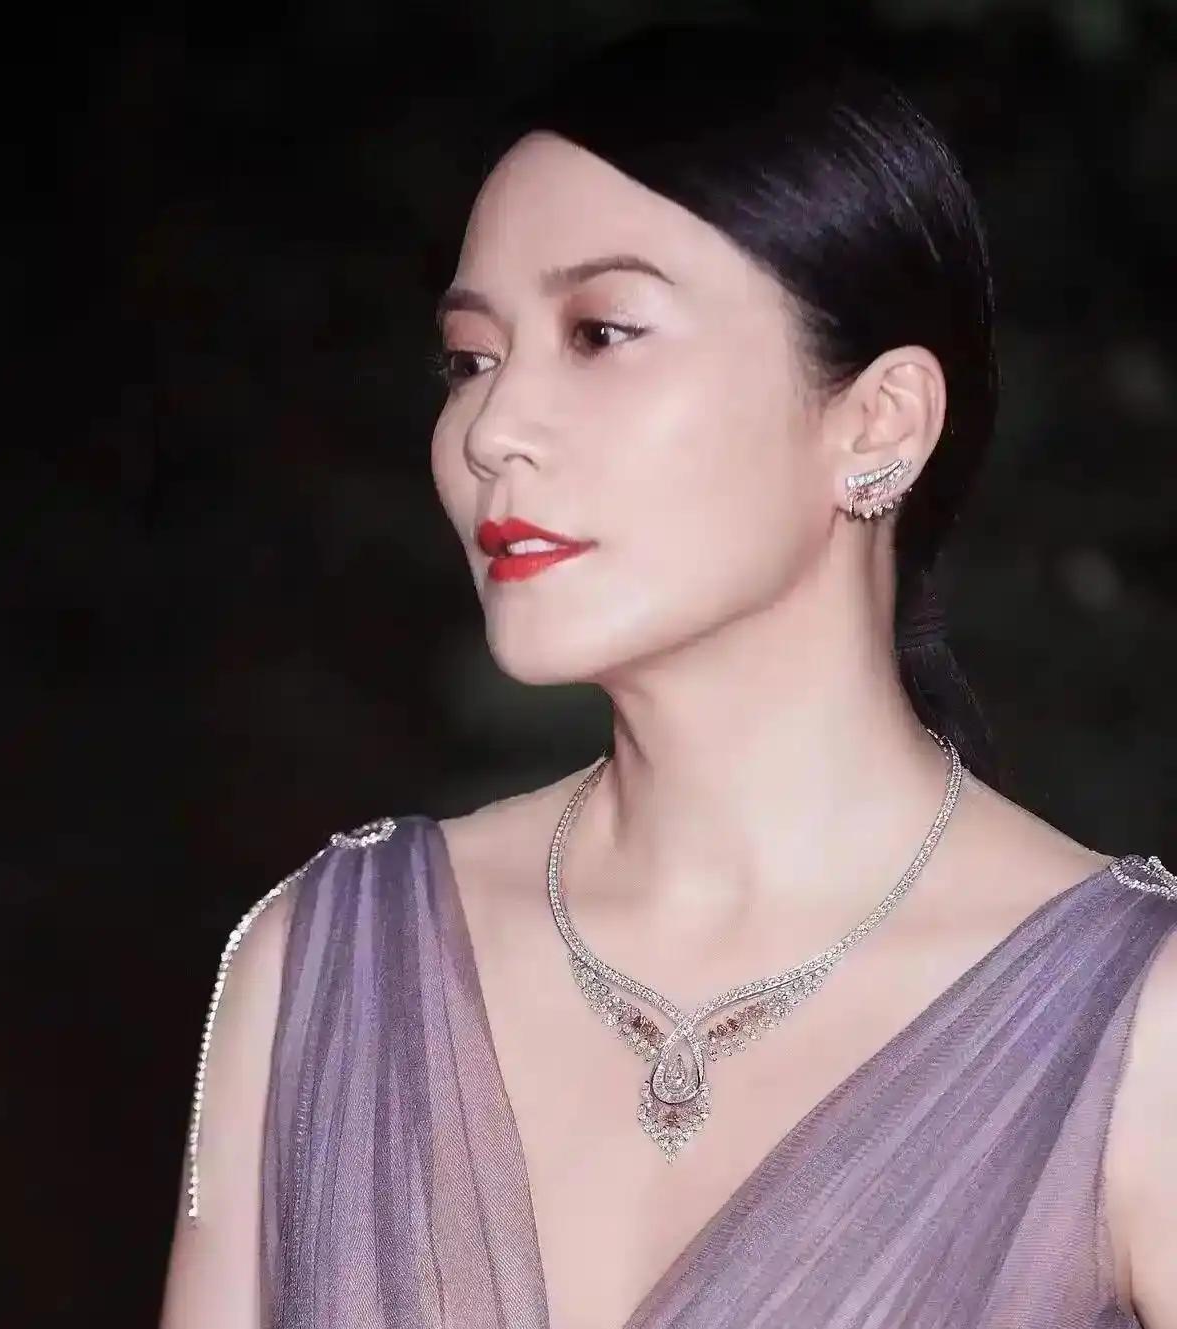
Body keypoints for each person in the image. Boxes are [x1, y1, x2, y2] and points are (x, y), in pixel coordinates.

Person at [159, 22, 1176, 1329]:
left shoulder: (1134, 1028)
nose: (491, 430)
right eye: (470, 359)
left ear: (879, 421)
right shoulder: (324, 963)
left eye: (601, 332)